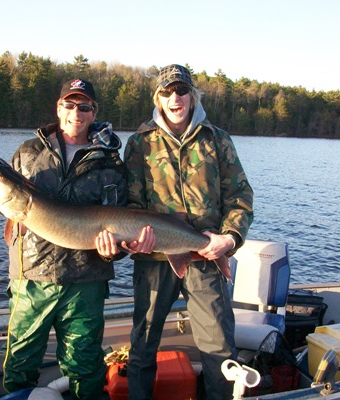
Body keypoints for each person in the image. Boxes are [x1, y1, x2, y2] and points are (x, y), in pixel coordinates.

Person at [2, 78, 147, 399]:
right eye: (69, 104)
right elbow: (6, 201)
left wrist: (113, 253)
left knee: (85, 366)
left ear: (94, 113)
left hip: (86, 282)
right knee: (20, 364)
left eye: (84, 107)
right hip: (31, 279)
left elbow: (120, 230)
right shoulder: (29, 152)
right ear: (58, 108)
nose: (75, 113)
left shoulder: (110, 164)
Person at [123, 64, 254, 400]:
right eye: (167, 91)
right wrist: (135, 240)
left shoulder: (217, 139)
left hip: (205, 256)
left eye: (181, 90)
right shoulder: (140, 143)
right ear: (158, 98)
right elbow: (131, 204)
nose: (175, 97)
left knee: (219, 348)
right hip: (154, 259)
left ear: (193, 95)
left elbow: (240, 197)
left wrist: (229, 238)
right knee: (143, 343)